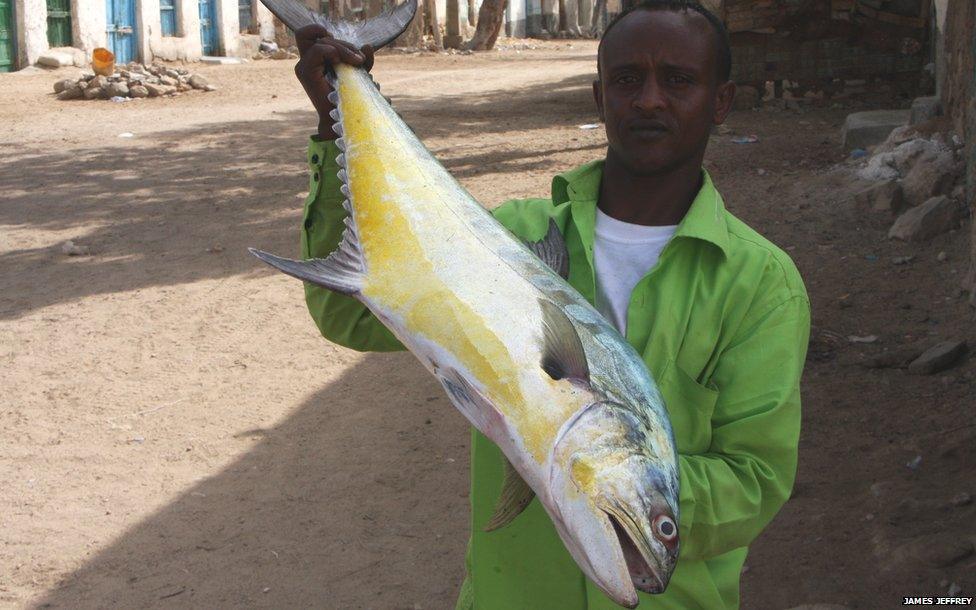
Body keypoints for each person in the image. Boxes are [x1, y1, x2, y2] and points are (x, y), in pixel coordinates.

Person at [293, 1, 810, 607]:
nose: (648, 100)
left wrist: (597, 480)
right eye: (626, 81)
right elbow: (350, 314)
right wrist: (336, 121)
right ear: (599, 98)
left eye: (678, 81)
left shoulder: (760, 283)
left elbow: (754, 479)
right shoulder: (517, 238)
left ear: (721, 102)